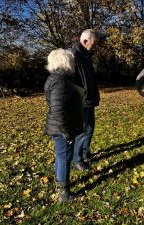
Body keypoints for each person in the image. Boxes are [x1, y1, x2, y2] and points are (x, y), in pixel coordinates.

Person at [44, 48, 83, 203]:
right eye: (71, 60)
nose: (73, 63)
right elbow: (58, 109)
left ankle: (61, 185)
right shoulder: (59, 81)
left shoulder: (60, 79)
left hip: (61, 126)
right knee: (64, 157)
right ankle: (64, 194)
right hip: (62, 128)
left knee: (61, 157)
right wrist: (67, 133)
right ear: (64, 61)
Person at [71, 29, 100, 170]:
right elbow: (72, 80)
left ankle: (85, 152)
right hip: (82, 101)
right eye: (93, 44)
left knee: (90, 128)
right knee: (82, 131)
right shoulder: (74, 55)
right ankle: (77, 160)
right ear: (85, 41)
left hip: (89, 100)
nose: (94, 47)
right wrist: (82, 96)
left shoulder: (86, 56)